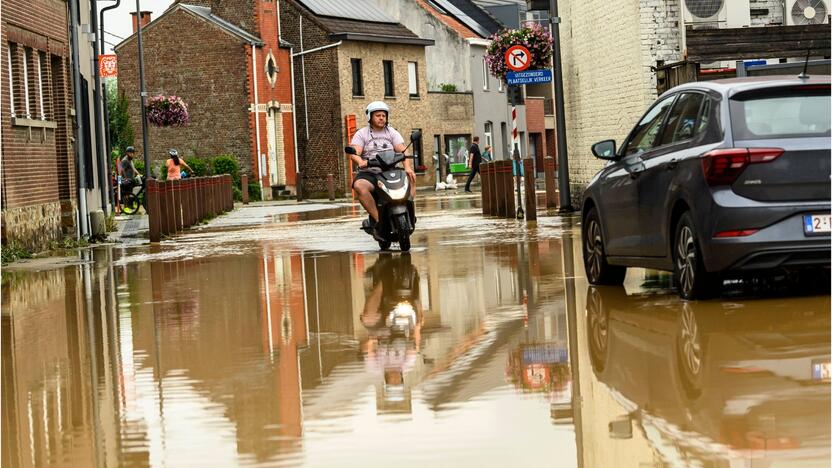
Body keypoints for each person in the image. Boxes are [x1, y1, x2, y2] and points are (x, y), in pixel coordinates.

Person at [348, 101, 415, 239]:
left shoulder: (392, 132)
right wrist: (360, 162)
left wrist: (407, 167)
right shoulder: (362, 134)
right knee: (359, 186)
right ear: (370, 117)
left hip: (390, 170)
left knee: (410, 178)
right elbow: (355, 152)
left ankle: (410, 212)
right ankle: (379, 220)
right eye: (378, 115)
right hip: (370, 172)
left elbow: (402, 149)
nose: (381, 118)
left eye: (384, 115)